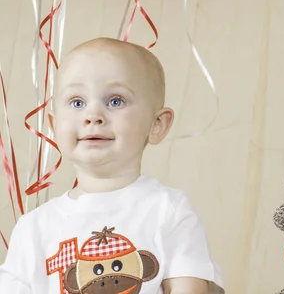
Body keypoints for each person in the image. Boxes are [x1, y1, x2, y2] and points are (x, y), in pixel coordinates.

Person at [0, 37, 224, 294]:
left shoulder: (169, 212)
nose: (93, 115)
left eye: (115, 101)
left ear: (157, 124)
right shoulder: (33, 229)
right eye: (77, 102)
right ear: (54, 125)